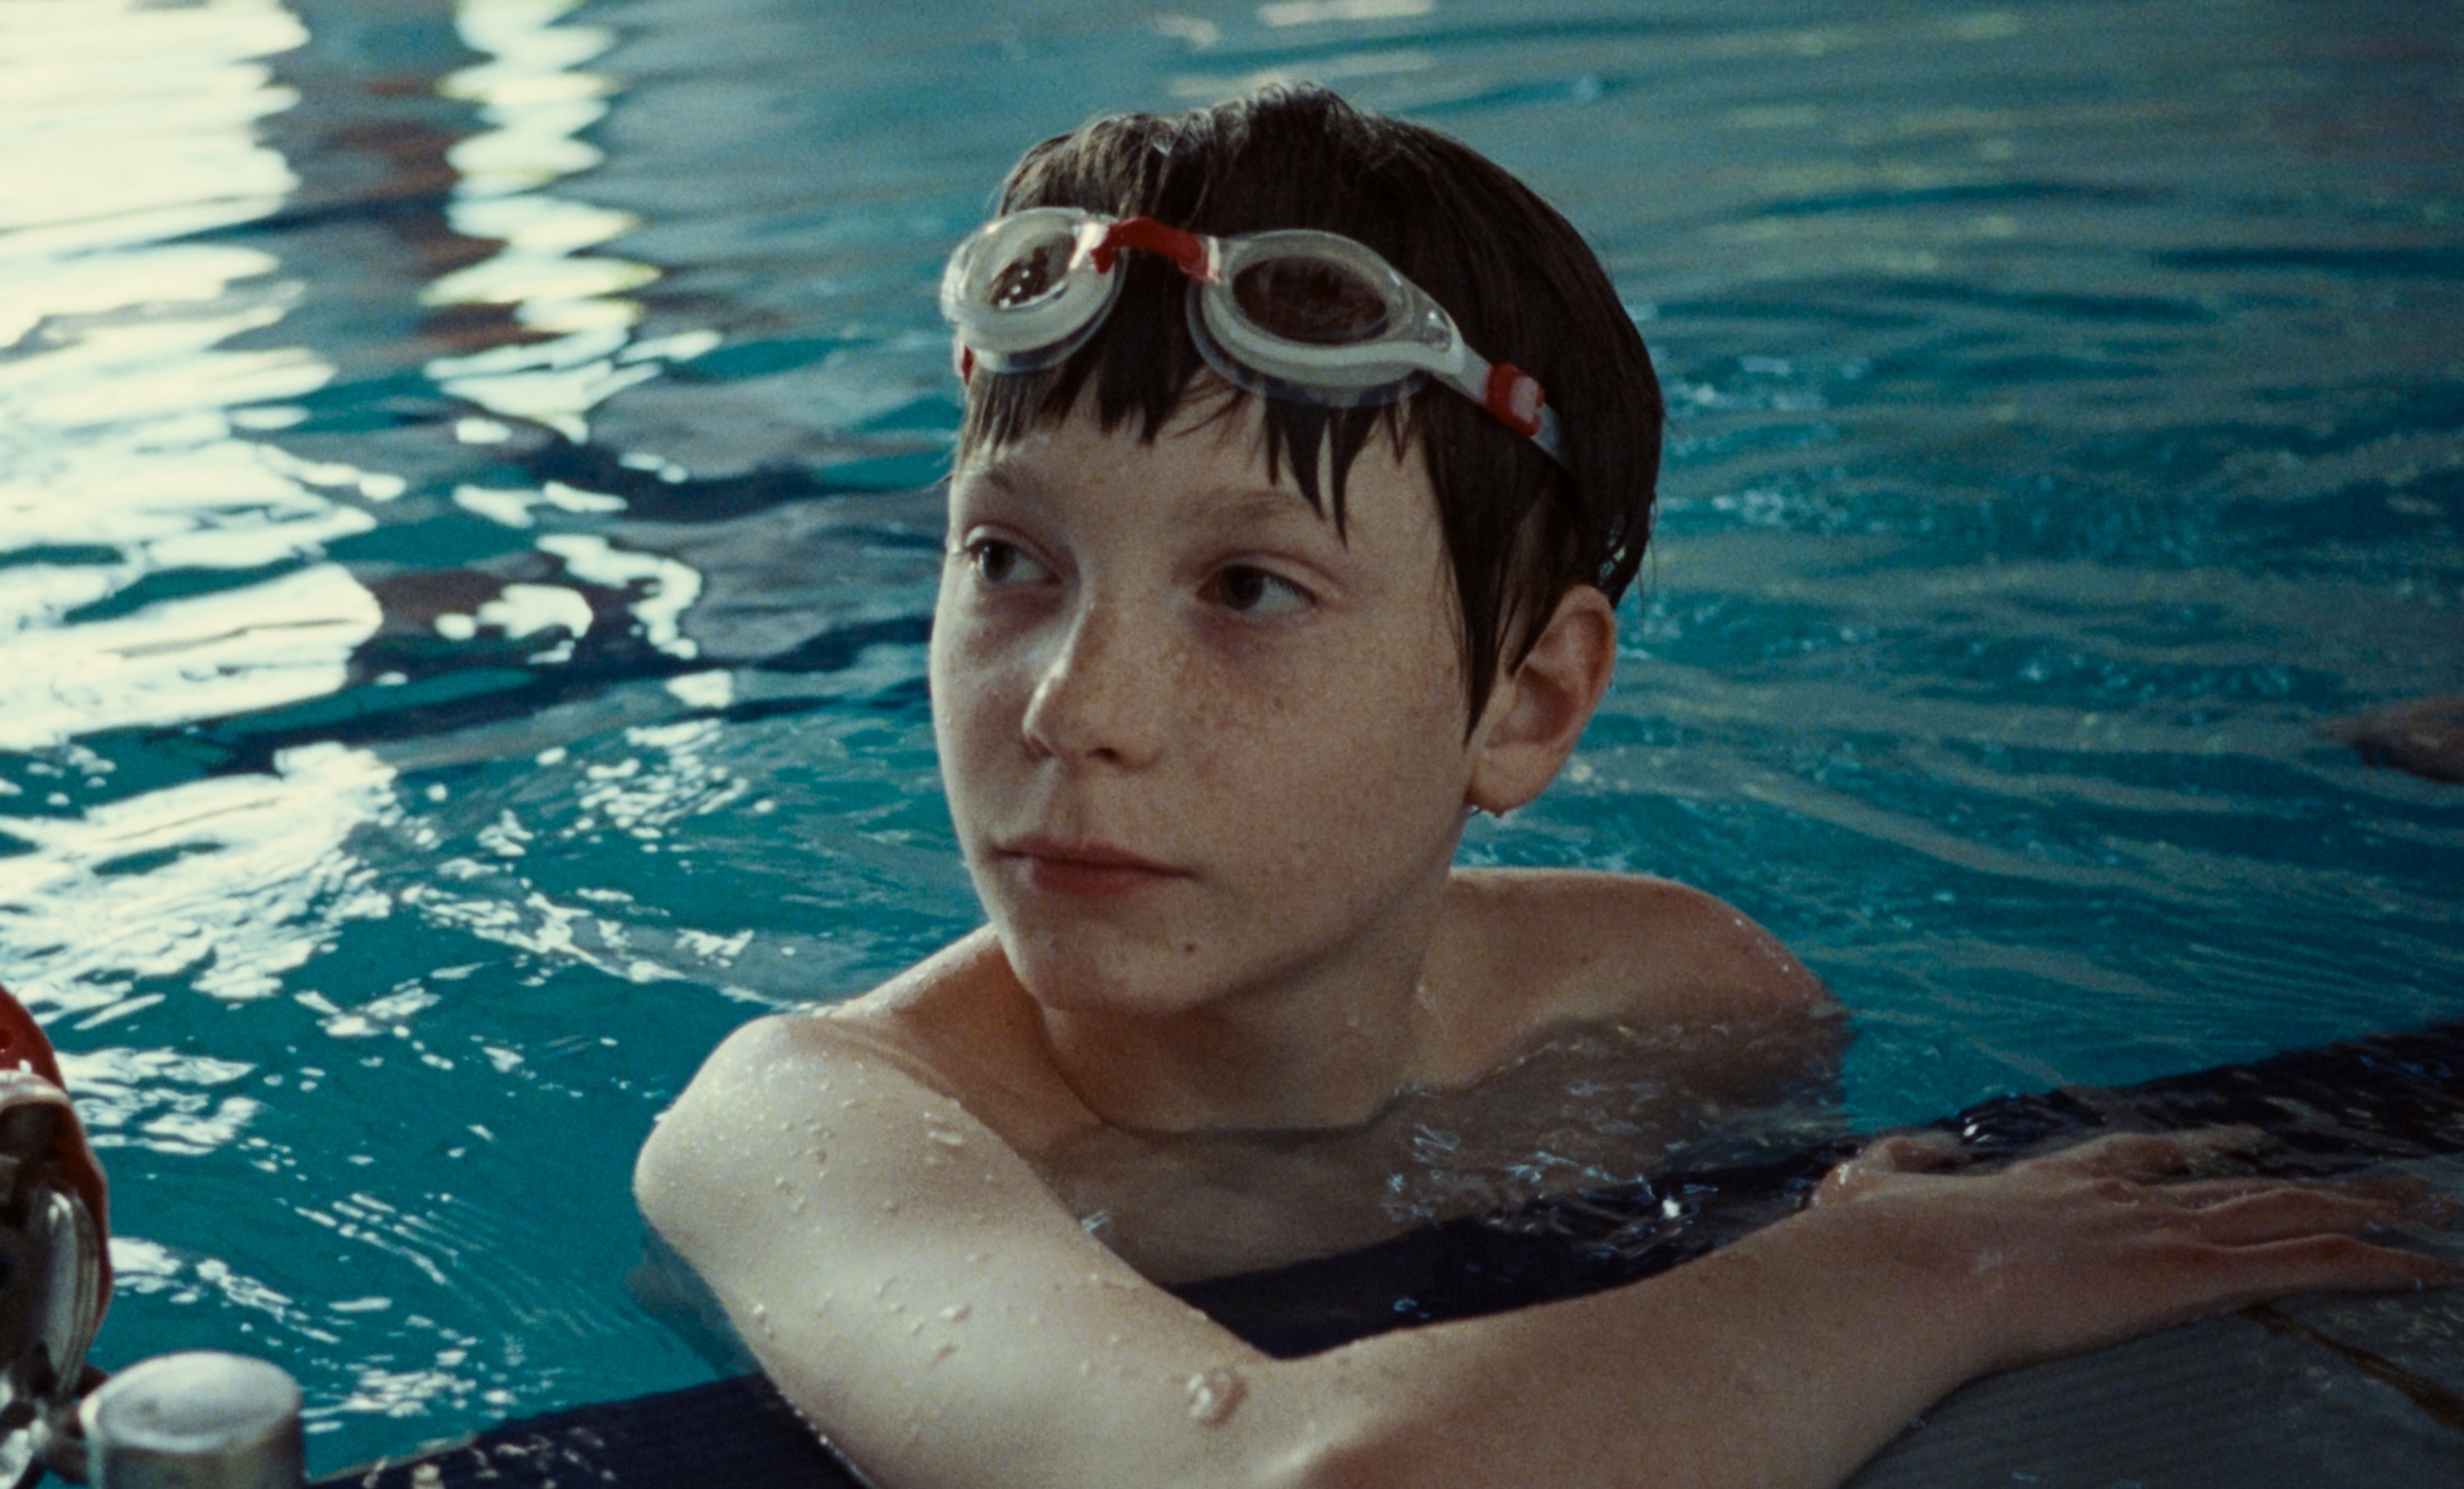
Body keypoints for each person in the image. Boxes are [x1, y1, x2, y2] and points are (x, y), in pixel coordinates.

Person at [634, 85, 2454, 1489]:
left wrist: (1851, 1234)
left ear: (1529, 700)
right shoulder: (804, 1128)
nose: (1070, 708)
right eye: (1008, 561)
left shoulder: (1679, 1008)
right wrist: (1919, 1278)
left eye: (1247, 589)